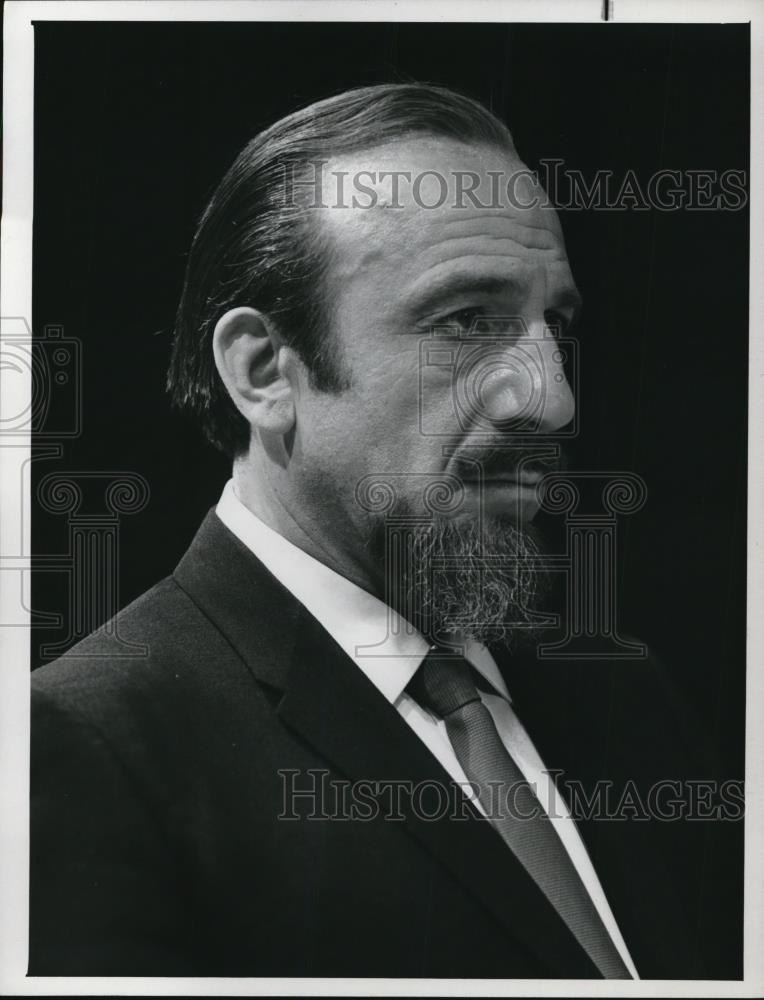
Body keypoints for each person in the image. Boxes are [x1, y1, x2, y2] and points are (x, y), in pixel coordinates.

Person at [30, 83, 720, 979]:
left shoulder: (626, 697)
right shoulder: (83, 753)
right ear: (265, 371)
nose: (553, 399)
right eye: (467, 322)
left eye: (556, 325)